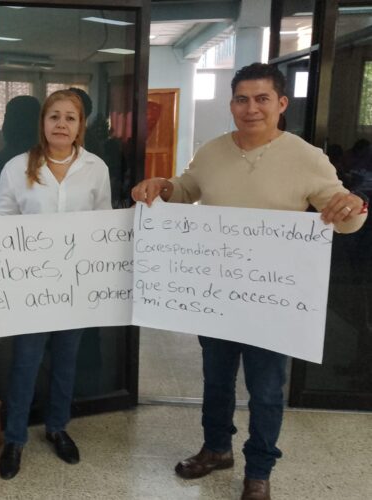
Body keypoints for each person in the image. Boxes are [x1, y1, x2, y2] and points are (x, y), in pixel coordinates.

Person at [131, 63, 368, 500]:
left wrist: (352, 206)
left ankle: (259, 470)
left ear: (281, 103)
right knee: (216, 379)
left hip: (274, 300)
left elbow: (342, 215)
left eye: (262, 99)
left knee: (265, 388)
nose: (251, 108)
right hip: (218, 293)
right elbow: (185, 190)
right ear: (232, 105)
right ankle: (216, 448)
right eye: (242, 99)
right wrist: (161, 186)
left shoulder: (306, 157)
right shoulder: (212, 152)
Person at [0, 89, 112, 480]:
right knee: (25, 362)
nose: (61, 124)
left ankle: (58, 428)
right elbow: (5, 218)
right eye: (54, 117)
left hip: (76, 285)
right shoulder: (16, 167)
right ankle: (15, 439)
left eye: (70, 118)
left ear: (81, 127)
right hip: (31, 286)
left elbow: (103, 223)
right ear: (43, 123)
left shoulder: (96, 168)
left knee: (66, 360)